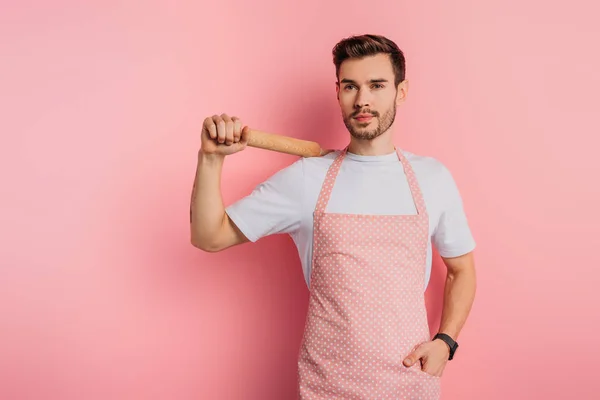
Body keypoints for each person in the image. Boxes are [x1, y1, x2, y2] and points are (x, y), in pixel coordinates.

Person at [190, 34, 477, 399]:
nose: (362, 100)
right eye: (350, 86)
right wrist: (211, 159)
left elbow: (462, 269)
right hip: (328, 384)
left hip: (410, 381)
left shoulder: (432, 178)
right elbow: (208, 236)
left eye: (376, 85)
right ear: (337, 92)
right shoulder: (308, 178)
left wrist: (446, 342)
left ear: (400, 92)